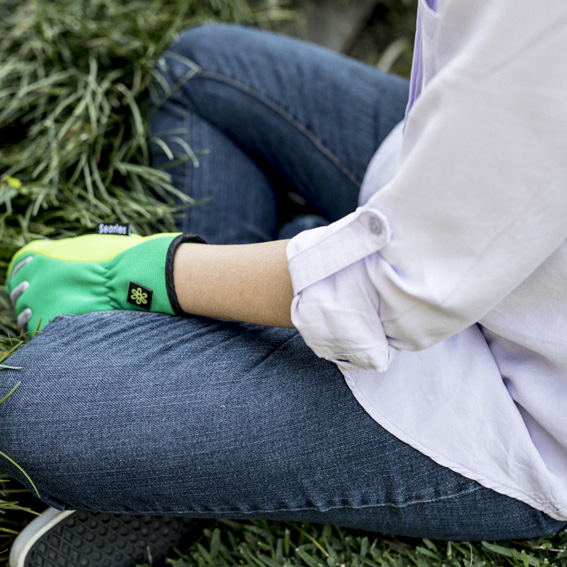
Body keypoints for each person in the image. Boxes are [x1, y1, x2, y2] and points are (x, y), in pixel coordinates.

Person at [4, 0, 567, 564]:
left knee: (31, 400)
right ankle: (200, 396)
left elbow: (396, 293)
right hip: (457, 189)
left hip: (510, 396)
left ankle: (190, 418)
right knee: (202, 69)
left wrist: (139, 272)